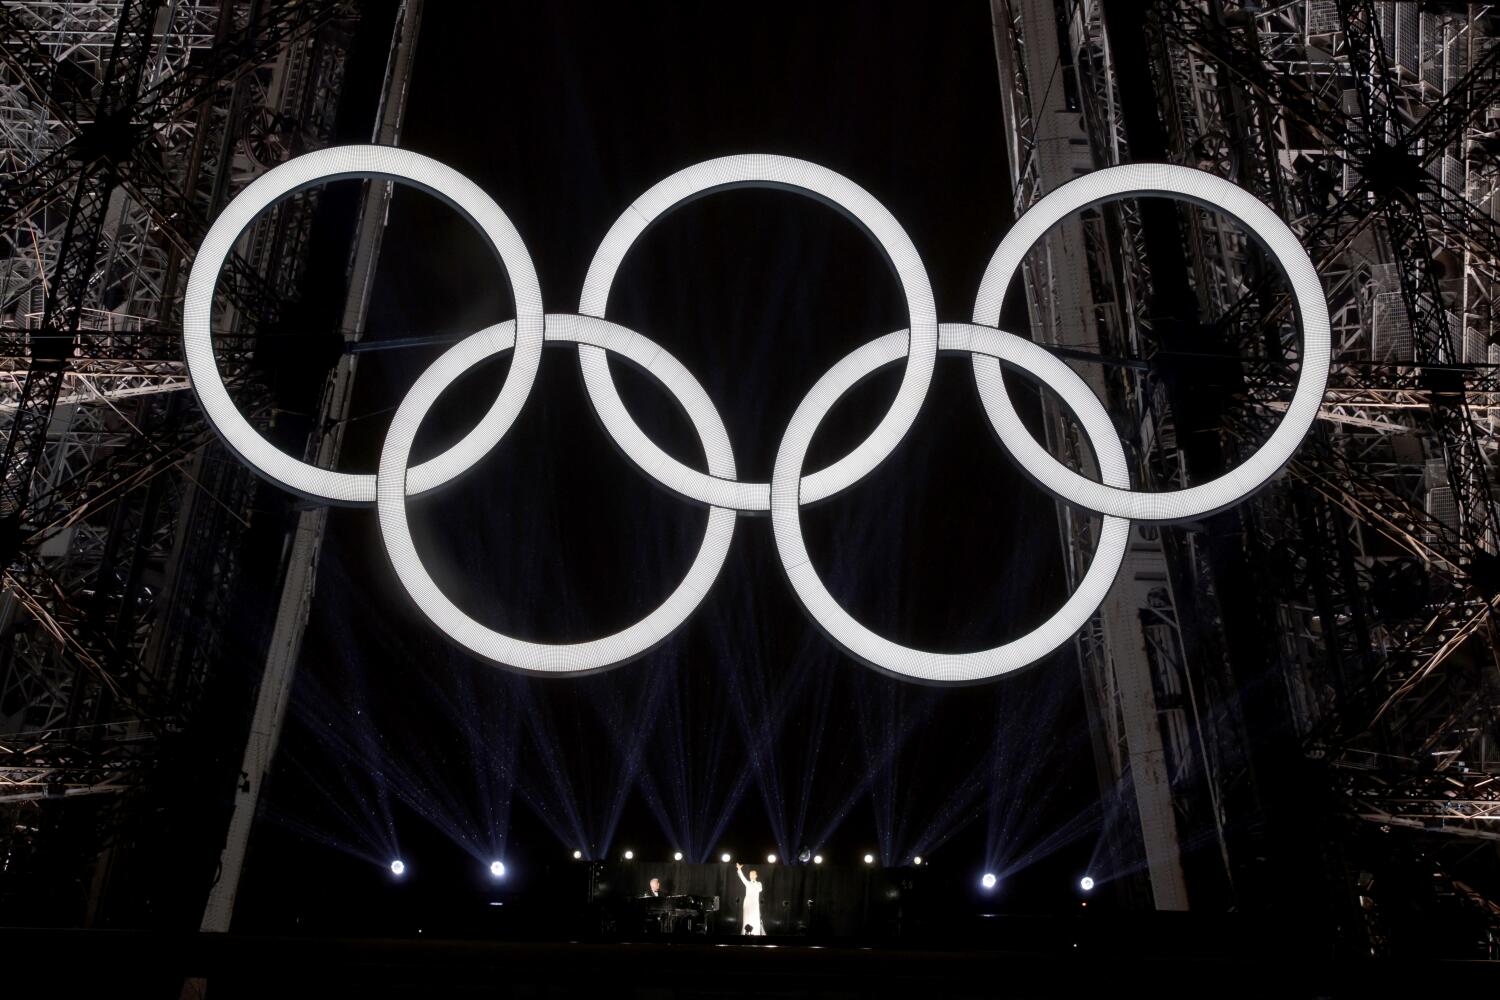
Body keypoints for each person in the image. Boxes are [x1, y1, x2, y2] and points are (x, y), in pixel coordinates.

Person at [734, 862, 764, 936]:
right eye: (750, 874)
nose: (751, 875)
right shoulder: (747, 883)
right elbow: (742, 877)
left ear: (756, 875)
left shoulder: (759, 883)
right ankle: (746, 933)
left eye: (753, 874)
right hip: (747, 903)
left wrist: (754, 882)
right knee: (747, 918)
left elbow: (760, 889)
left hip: (754, 903)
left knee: (755, 918)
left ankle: (755, 933)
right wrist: (739, 869)